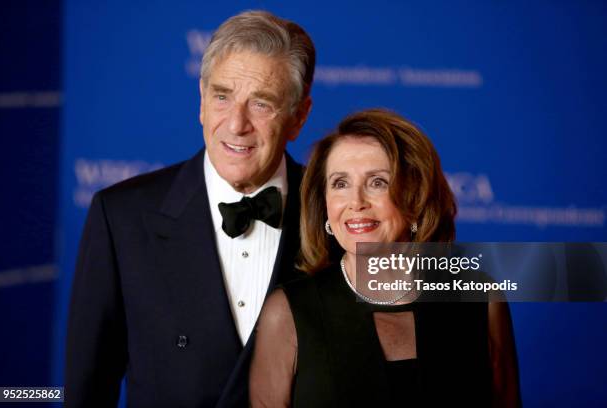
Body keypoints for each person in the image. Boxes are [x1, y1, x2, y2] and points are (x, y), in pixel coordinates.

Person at [65, 11, 314, 407]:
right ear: (201, 101)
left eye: (261, 104)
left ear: (298, 117)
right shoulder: (121, 217)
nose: (236, 124)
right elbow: (86, 389)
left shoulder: (337, 215)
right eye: (222, 96)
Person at [250, 109, 520, 407]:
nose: (356, 203)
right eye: (340, 183)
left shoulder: (481, 300)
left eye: (377, 182)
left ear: (416, 195)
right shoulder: (287, 312)